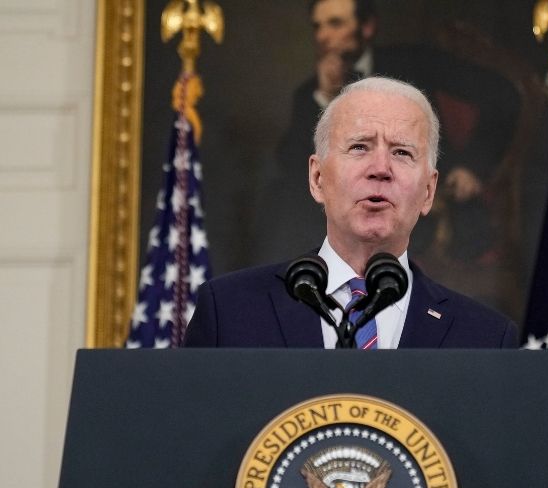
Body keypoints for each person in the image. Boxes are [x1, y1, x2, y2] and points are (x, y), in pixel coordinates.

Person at [184, 77, 518, 349]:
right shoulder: (229, 312)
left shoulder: (485, 339)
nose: (380, 169)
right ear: (317, 179)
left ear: (428, 191)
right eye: (359, 147)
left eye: (402, 152)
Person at [255, 0, 519, 266]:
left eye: (335, 23)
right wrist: (325, 98)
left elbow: (502, 95)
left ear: (367, 27)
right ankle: (294, 290)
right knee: (281, 198)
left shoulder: (414, 62)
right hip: (338, 215)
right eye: (318, 26)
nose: (323, 35)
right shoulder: (309, 93)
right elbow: (291, 165)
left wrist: (472, 165)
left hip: (423, 209)